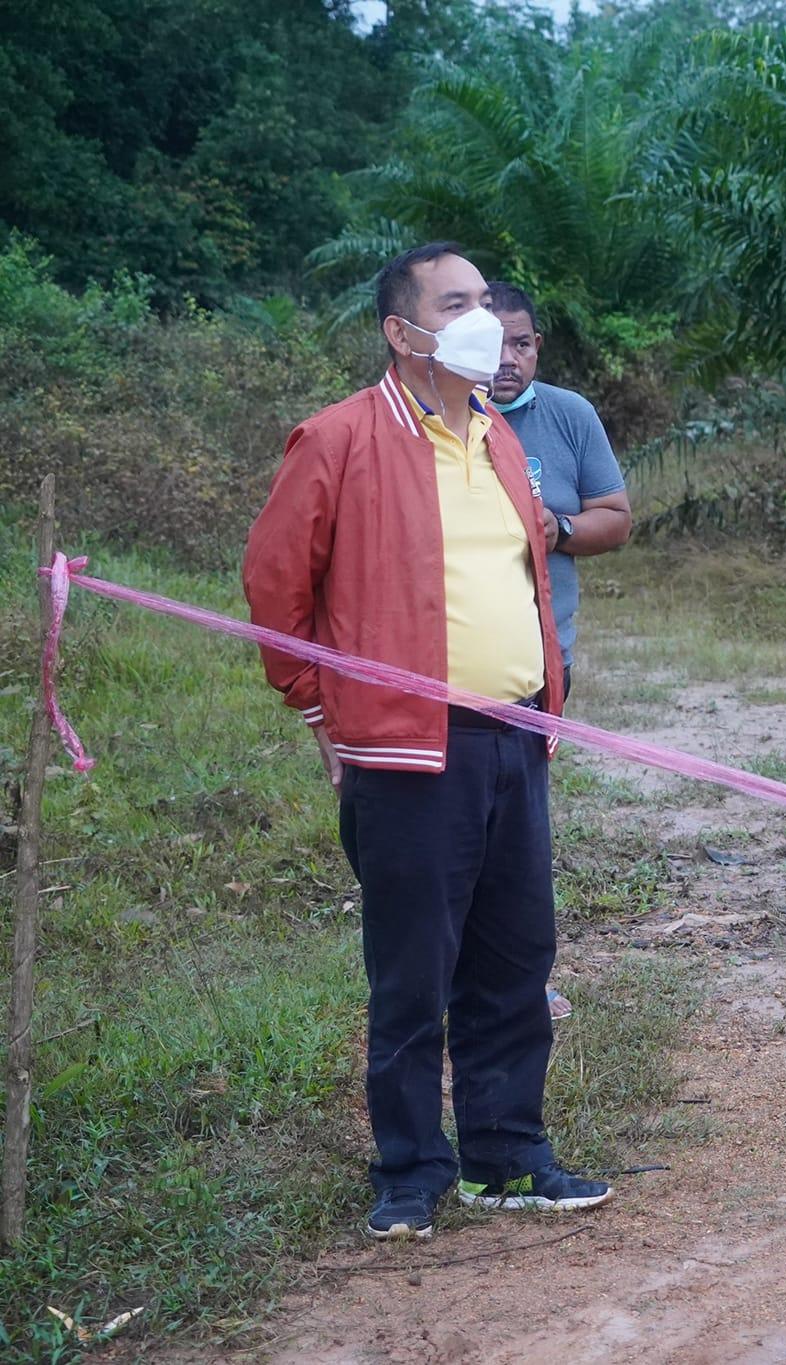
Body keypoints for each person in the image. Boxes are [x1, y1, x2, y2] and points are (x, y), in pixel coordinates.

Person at [244, 242, 612, 1240]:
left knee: (514, 959)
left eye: (485, 300)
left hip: (515, 739)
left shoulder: (497, 437)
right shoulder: (338, 439)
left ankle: (506, 1155)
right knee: (412, 973)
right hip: (409, 752)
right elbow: (275, 588)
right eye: (456, 304)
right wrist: (324, 711)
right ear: (401, 331)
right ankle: (408, 1170)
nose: (482, 319)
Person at [486, 281, 634, 1023]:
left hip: (544, 661)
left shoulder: (568, 416)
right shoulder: (438, 420)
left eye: (521, 343)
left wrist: (559, 529)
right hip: (442, 667)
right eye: (493, 344)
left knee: (521, 828)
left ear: (538, 345)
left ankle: (522, 982)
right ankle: (451, 978)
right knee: (452, 829)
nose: (507, 360)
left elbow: (617, 517)